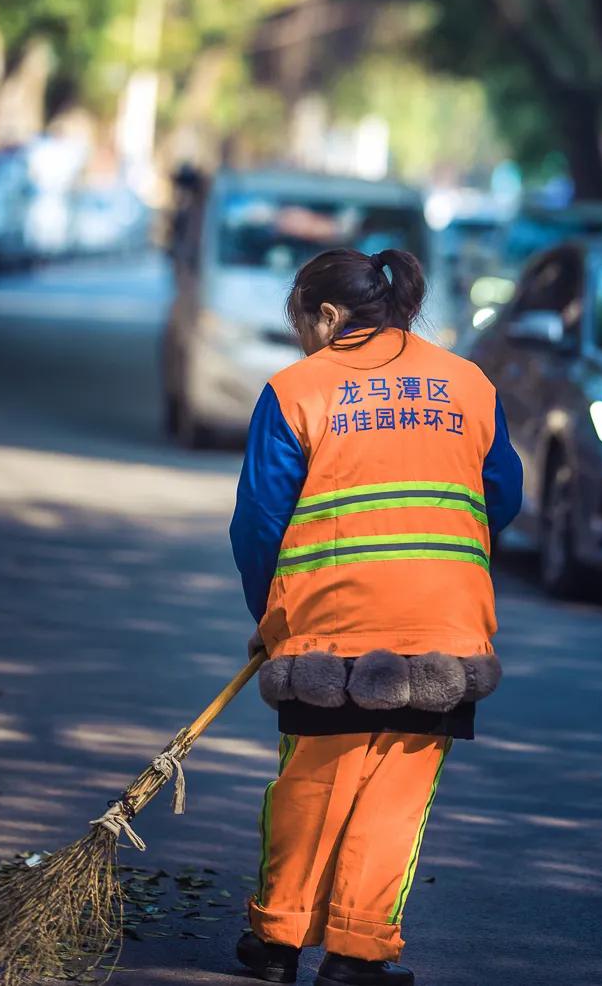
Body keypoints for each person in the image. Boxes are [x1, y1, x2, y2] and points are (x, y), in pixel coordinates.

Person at [229, 246, 523, 986]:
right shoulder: (469, 384)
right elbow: (504, 497)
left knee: (311, 783)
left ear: (327, 317)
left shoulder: (297, 390)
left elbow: (259, 524)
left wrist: (272, 618)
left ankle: (276, 944)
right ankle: (358, 957)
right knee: (397, 796)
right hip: (442, 629)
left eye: (301, 322)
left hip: (328, 625)